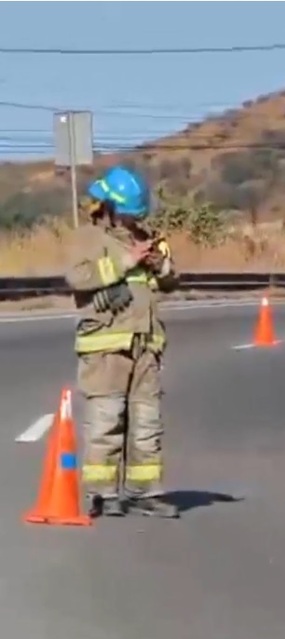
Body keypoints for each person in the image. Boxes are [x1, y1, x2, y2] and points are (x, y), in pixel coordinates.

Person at [66, 165, 179, 518]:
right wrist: (124, 263)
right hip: (105, 348)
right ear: (108, 207)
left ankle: (146, 492)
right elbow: (76, 277)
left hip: (145, 346)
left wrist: (160, 265)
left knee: (147, 423)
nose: (132, 221)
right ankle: (102, 493)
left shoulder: (144, 237)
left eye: (136, 215)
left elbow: (171, 282)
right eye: (127, 214)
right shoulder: (88, 238)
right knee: (106, 421)